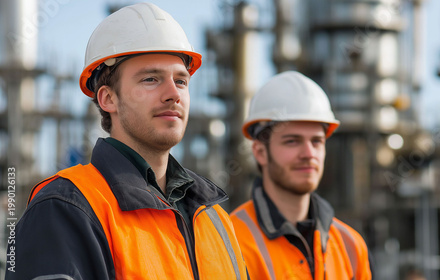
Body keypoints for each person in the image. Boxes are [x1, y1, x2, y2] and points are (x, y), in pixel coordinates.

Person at [6, 3, 247, 279]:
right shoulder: (65, 209)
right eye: (151, 79)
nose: (173, 94)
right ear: (108, 98)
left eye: (181, 81)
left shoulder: (215, 219)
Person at [230, 71, 373, 279]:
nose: (309, 154)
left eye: (316, 141)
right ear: (260, 152)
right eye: (292, 141)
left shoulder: (351, 245)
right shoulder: (230, 241)